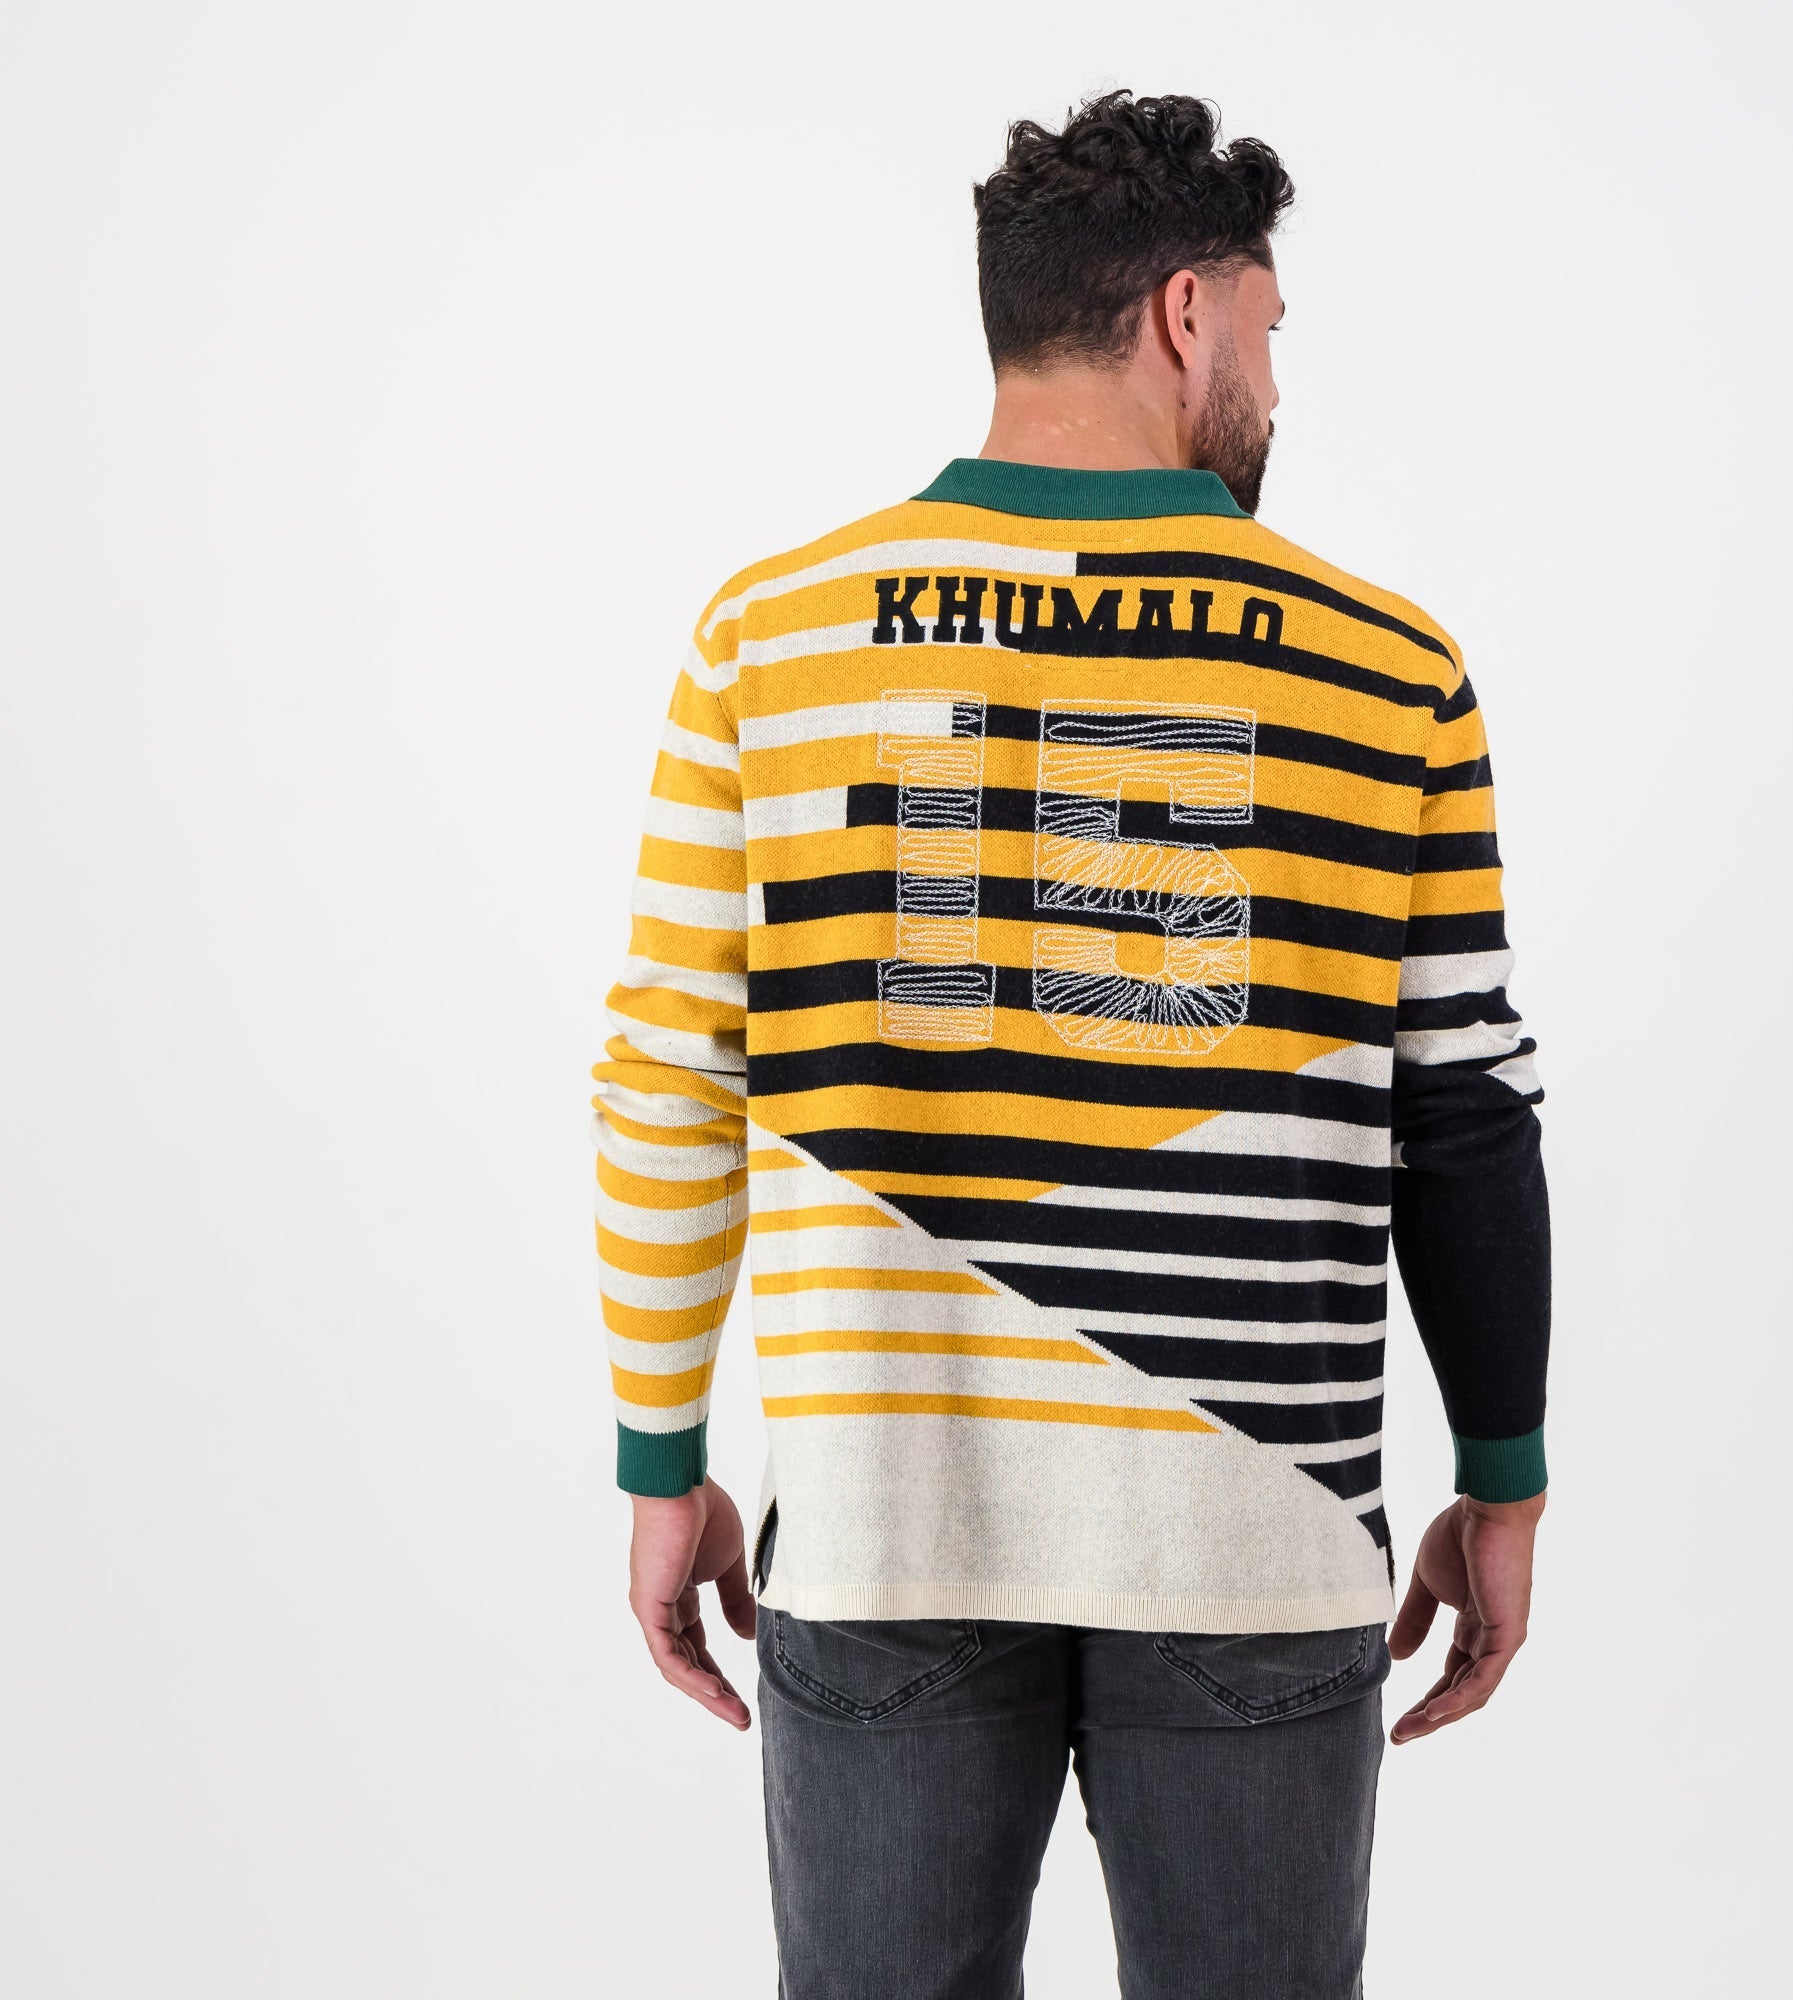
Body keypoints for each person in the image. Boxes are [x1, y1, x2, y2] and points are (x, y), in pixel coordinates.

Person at [591, 89, 1551, 2000]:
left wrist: (660, 1458)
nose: (1274, 379)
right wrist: (1502, 1477)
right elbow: (1461, 1114)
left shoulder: (766, 640)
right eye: (1268, 326)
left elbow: (670, 1075)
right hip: (1256, 1530)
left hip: (886, 1515)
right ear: (1188, 313)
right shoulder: (1389, 667)